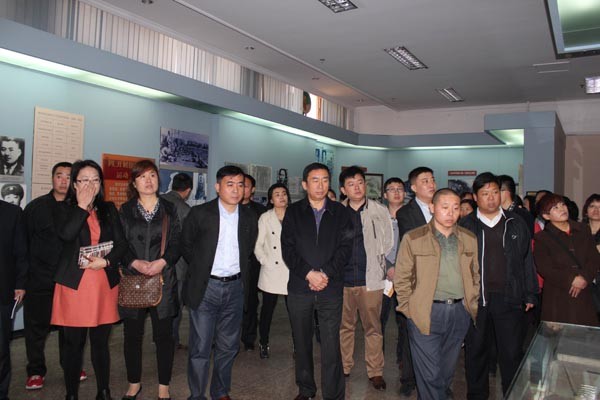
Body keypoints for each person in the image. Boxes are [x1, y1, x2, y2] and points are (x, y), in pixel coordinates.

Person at [51, 159, 128, 400]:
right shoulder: (63, 208)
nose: (90, 185)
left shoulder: (109, 209)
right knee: (73, 344)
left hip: (102, 283)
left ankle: (103, 391)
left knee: (100, 343)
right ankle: (71, 394)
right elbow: (66, 235)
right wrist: (82, 207)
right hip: (74, 285)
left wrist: (106, 262)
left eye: (95, 180)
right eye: (84, 180)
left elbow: (122, 244)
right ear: (74, 184)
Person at [182, 165, 258, 400]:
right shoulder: (200, 213)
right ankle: (197, 395)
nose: (236, 190)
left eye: (240, 185)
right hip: (207, 288)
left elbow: (249, 250)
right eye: (230, 184)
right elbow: (187, 246)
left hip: (235, 288)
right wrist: (203, 269)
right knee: (201, 346)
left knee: (228, 346)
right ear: (217, 187)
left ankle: (220, 391)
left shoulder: (249, 217)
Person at [395, 188, 480, 400]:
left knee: (446, 371)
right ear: (432, 208)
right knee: (430, 374)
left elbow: (475, 275)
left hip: (459, 312)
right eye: (445, 207)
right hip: (426, 312)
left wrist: (471, 303)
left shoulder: (469, 238)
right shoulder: (413, 238)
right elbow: (402, 279)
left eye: (456, 208)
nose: (451, 213)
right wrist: (410, 310)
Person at [460, 172, 538, 399]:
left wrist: (530, 293)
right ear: (476, 197)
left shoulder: (515, 223)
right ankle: (477, 395)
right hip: (477, 299)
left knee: (511, 353)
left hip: (509, 297)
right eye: (485, 193)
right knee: (476, 352)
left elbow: (526, 260)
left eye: (495, 192)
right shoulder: (466, 225)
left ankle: (511, 394)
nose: (491, 198)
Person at [281, 162, 353, 400]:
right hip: (300, 287)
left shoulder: (341, 212)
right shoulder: (293, 212)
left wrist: (324, 273)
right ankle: (306, 389)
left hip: (330, 287)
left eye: (325, 180)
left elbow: (345, 248)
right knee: (302, 342)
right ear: (304, 184)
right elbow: (288, 249)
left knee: (331, 344)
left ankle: (333, 394)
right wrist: (309, 273)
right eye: (315, 180)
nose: (320, 185)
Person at [119, 160, 181, 400]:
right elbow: (119, 243)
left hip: (162, 279)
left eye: (152, 175)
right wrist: (134, 262)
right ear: (134, 183)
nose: (148, 181)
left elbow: (177, 242)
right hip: (133, 279)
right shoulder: (125, 210)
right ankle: (134, 383)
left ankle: (164, 386)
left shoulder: (169, 208)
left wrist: (162, 262)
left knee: (164, 336)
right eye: (142, 177)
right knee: (132, 336)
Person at [338, 166, 393, 390]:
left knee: (373, 328)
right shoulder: (336, 212)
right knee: (345, 327)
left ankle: (376, 371)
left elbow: (388, 242)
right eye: (351, 184)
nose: (357, 187)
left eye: (360, 182)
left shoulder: (379, 210)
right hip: (342, 280)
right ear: (343, 189)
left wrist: (381, 264)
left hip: (370, 280)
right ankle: (344, 367)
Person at [23, 162, 75, 390]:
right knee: (36, 328)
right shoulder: (36, 208)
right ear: (52, 178)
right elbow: (23, 244)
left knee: (69, 329)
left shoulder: (79, 208)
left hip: (69, 279)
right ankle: (35, 371)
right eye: (59, 176)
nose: (63, 181)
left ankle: (71, 366)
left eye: (68, 177)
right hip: (40, 278)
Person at [395, 166, 437, 397]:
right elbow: (416, 242)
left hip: (441, 281)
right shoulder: (405, 213)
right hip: (415, 281)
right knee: (410, 332)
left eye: (432, 179)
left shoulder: (444, 206)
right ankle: (408, 379)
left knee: (437, 333)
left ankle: (436, 381)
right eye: (425, 181)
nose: (431, 184)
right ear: (413, 187)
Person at [533, 194, 599, 326]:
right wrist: (571, 279)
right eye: (555, 208)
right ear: (546, 216)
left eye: (562, 205)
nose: (562, 209)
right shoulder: (542, 238)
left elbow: (594, 258)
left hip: (584, 292)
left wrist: (584, 278)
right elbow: (544, 267)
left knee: (586, 333)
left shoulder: (583, 229)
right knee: (561, 334)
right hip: (558, 294)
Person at [254, 183, 291, 359]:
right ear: (271, 199)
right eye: (277, 194)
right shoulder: (265, 218)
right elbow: (258, 244)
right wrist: (265, 261)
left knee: (295, 313)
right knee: (267, 311)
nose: (281, 197)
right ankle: (263, 342)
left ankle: (298, 345)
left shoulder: (295, 215)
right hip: (271, 271)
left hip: (291, 270)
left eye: (284, 193)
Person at [161, 172, 193, 350]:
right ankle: (172, 341)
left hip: (156, 263)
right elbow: (189, 240)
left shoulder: (158, 201)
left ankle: (160, 337)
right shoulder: (185, 209)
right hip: (178, 266)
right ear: (188, 190)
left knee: (159, 303)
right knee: (175, 306)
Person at [0, 199, 27, 400]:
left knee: (1, 348)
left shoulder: (11, 213)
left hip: (3, 291)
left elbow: (21, 251)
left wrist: (20, 283)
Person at [240, 174, 267, 351]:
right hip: (231, 264)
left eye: (246, 186)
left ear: (253, 189)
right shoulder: (229, 208)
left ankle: (249, 338)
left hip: (253, 263)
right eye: (240, 185)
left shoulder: (261, 211)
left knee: (250, 302)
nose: (242, 189)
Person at [380, 177, 405, 365]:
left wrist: (401, 269)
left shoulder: (411, 217)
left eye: (400, 189)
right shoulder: (378, 218)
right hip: (382, 277)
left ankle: (403, 358)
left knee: (404, 321)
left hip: (406, 276)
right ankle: (377, 359)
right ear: (385, 194)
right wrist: (389, 268)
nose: (396, 192)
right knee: (379, 319)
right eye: (392, 189)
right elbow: (372, 246)